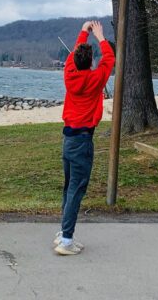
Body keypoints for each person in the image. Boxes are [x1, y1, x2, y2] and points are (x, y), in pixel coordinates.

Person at [54, 20, 115, 256]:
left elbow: (75, 54)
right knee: (75, 190)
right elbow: (108, 60)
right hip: (82, 140)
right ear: (90, 63)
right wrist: (100, 36)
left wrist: (83, 32)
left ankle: (63, 233)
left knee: (69, 187)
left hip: (68, 138)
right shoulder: (95, 79)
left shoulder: (70, 74)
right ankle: (66, 240)